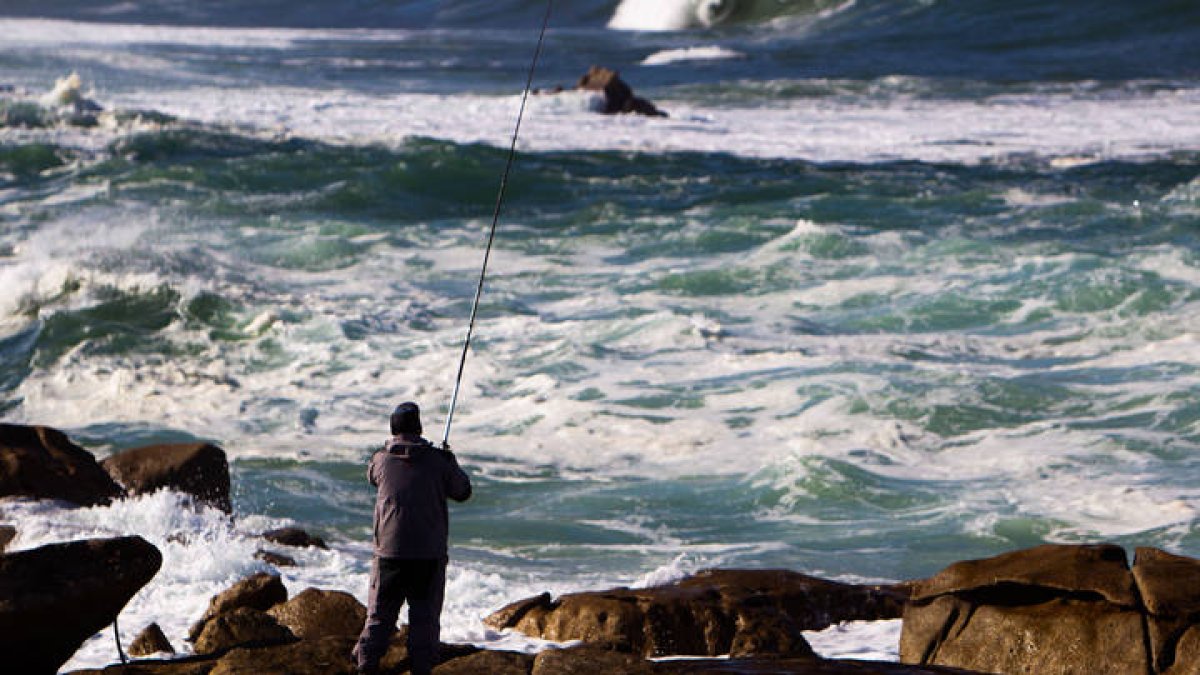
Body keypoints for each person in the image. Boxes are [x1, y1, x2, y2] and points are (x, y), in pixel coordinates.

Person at [352, 401, 472, 675]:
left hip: (389, 555)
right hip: (428, 557)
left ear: (393, 429)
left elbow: (372, 477)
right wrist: (449, 461)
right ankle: (421, 668)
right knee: (424, 621)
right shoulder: (439, 461)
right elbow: (463, 491)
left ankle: (365, 665)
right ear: (419, 427)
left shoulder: (380, 460)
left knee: (380, 617)